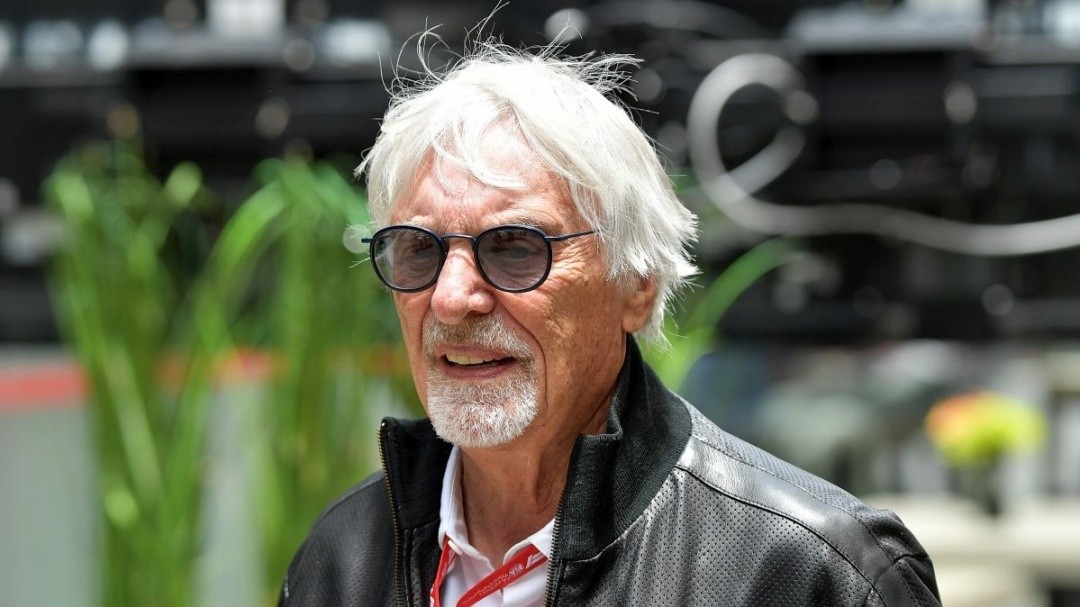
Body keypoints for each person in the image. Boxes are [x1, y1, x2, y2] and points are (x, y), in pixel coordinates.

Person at [278, 37, 940, 607]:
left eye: (514, 248)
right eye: (419, 249)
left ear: (637, 285)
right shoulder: (343, 559)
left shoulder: (809, 572)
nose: (451, 299)